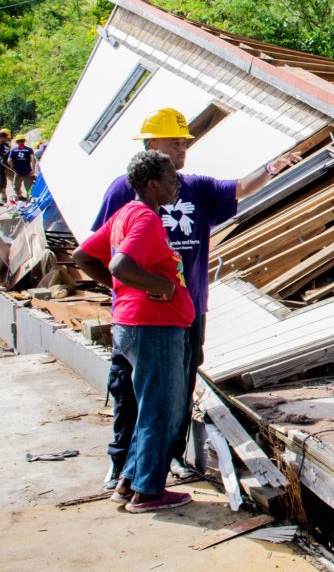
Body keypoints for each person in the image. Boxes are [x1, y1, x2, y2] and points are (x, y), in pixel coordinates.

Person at [93, 108, 299, 489]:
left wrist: (271, 168)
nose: (182, 150)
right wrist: (129, 292)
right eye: (174, 143)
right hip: (144, 316)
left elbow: (238, 188)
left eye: (185, 143)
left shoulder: (194, 187)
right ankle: (122, 464)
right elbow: (100, 251)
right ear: (151, 144)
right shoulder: (126, 191)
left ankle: (163, 460)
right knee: (131, 391)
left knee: (178, 390)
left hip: (188, 311)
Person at [74, 150, 195, 513]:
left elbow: (83, 256)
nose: (177, 181)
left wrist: (121, 289)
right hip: (153, 327)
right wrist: (162, 288)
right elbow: (119, 264)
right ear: (151, 184)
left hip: (132, 324)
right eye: (170, 176)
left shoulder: (125, 214)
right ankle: (148, 492)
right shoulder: (144, 219)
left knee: (150, 408)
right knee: (162, 409)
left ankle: (129, 482)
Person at [8, 133, 35, 201]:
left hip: (19, 171)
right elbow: (33, 159)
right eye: (19, 141)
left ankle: (20, 197)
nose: (20, 142)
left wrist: (12, 167)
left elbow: (9, 160)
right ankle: (28, 200)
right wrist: (33, 169)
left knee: (16, 186)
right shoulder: (29, 149)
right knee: (29, 188)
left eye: (21, 140)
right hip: (26, 171)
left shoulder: (13, 150)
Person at [0, 128, 10, 201]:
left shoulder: (6, 145)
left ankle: (4, 196)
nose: (7, 139)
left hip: (4, 167)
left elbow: (8, 155)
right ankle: (3, 196)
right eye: (6, 138)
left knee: (3, 181)